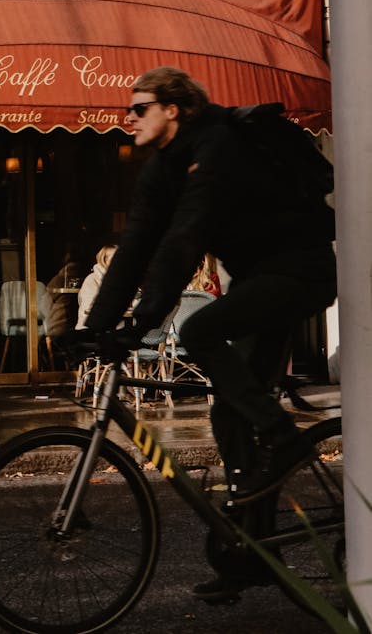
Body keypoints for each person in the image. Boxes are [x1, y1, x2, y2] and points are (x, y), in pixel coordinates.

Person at [84, 66, 336, 602]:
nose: (129, 118)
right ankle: (252, 553)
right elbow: (137, 245)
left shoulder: (217, 144)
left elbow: (184, 240)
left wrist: (144, 320)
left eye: (139, 108)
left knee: (200, 330)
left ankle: (283, 436)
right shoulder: (163, 168)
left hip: (299, 270)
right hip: (257, 279)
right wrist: (96, 325)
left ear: (172, 109)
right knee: (230, 408)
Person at [76, 245, 118, 329]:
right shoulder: (92, 279)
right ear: (104, 260)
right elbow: (89, 309)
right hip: (91, 329)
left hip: (116, 326)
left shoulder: (121, 279)